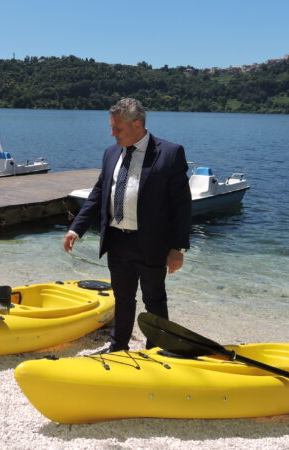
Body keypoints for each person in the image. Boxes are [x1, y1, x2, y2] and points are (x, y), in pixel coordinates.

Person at [63, 98, 192, 352]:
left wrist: (178, 248)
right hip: (117, 240)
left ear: (137, 125)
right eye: (112, 127)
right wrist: (76, 227)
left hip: (152, 243)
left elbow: (182, 205)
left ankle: (155, 350)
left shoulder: (170, 152)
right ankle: (118, 347)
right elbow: (99, 193)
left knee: (154, 300)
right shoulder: (111, 153)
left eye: (117, 128)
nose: (112, 133)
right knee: (122, 298)